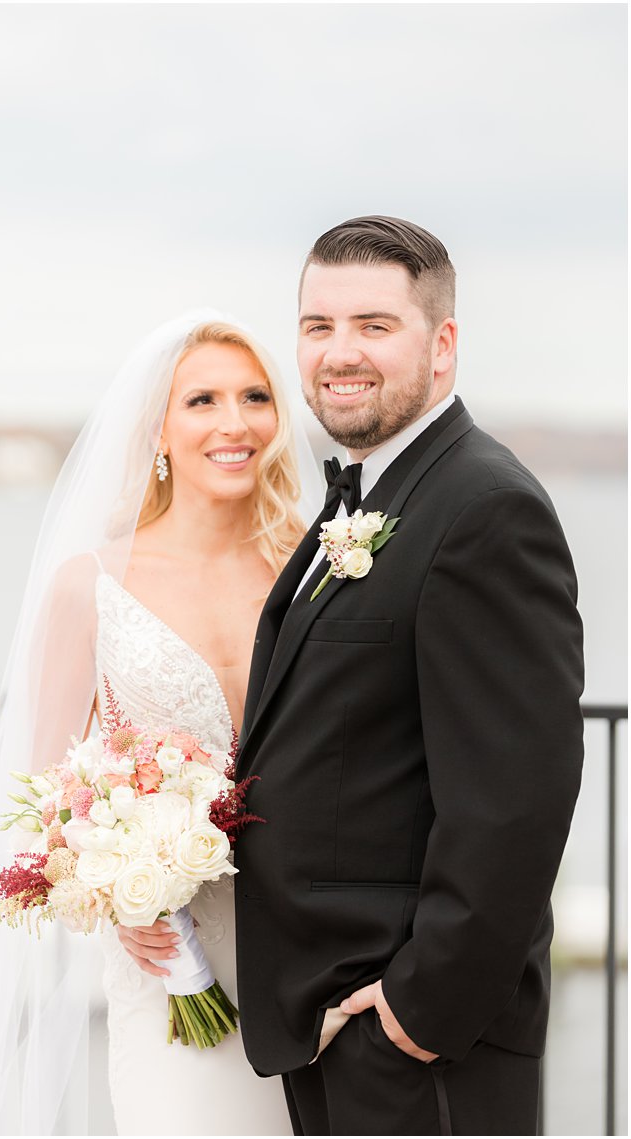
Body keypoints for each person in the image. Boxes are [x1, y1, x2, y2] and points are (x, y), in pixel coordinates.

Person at [0, 312, 321, 1135]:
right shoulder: (91, 584)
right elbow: (42, 796)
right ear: (157, 426)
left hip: (319, 958)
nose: (235, 422)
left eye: (255, 395)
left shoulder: (315, 568)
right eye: (203, 400)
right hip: (174, 963)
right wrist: (121, 892)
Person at [230, 216, 584, 1134]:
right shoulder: (370, 492)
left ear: (442, 343)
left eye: (374, 325)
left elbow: (515, 801)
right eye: (318, 326)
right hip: (333, 1022)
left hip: (414, 1042)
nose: (339, 353)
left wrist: (416, 1015)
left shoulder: (485, 508)